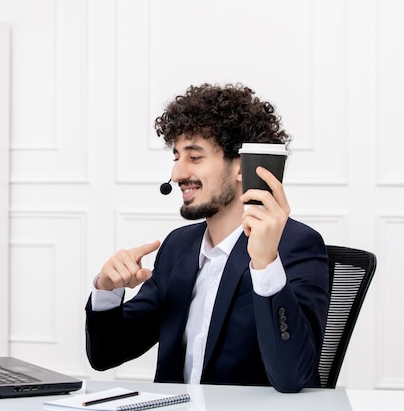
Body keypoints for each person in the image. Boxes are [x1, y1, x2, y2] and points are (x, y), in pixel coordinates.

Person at [85, 83, 329, 393]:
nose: (176, 174)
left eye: (194, 157)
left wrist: (266, 263)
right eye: (176, 157)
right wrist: (106, 291)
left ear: (242, 167)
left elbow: (292, 377)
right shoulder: (178, 247)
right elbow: (106, 355)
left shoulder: (295, 245)